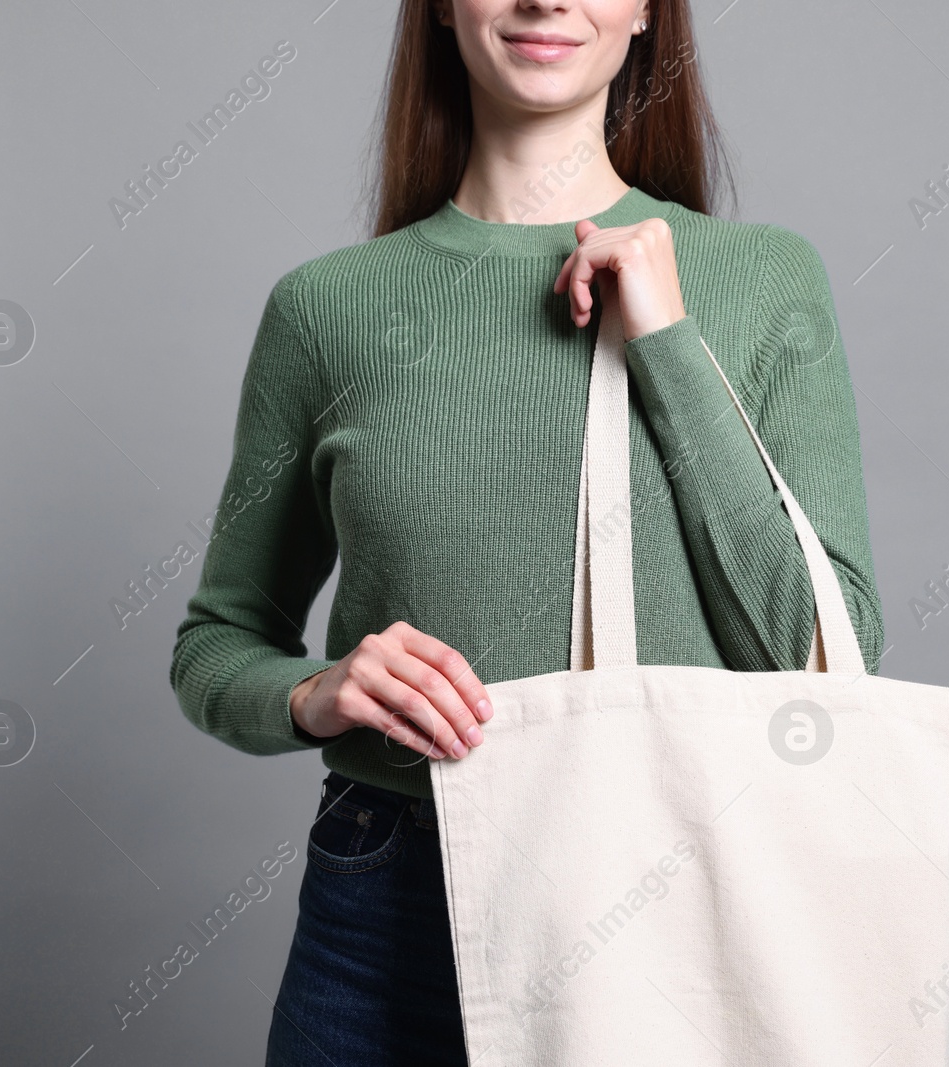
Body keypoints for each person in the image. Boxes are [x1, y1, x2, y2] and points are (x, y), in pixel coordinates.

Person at [168, 0, 885, 1062]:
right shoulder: (329, 310)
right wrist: (316, 694)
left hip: (677, 892)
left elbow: (827, 656)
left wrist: (668, 343)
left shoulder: (763, 280)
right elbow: (216, 642)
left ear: (643, 12)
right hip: (392, 897)